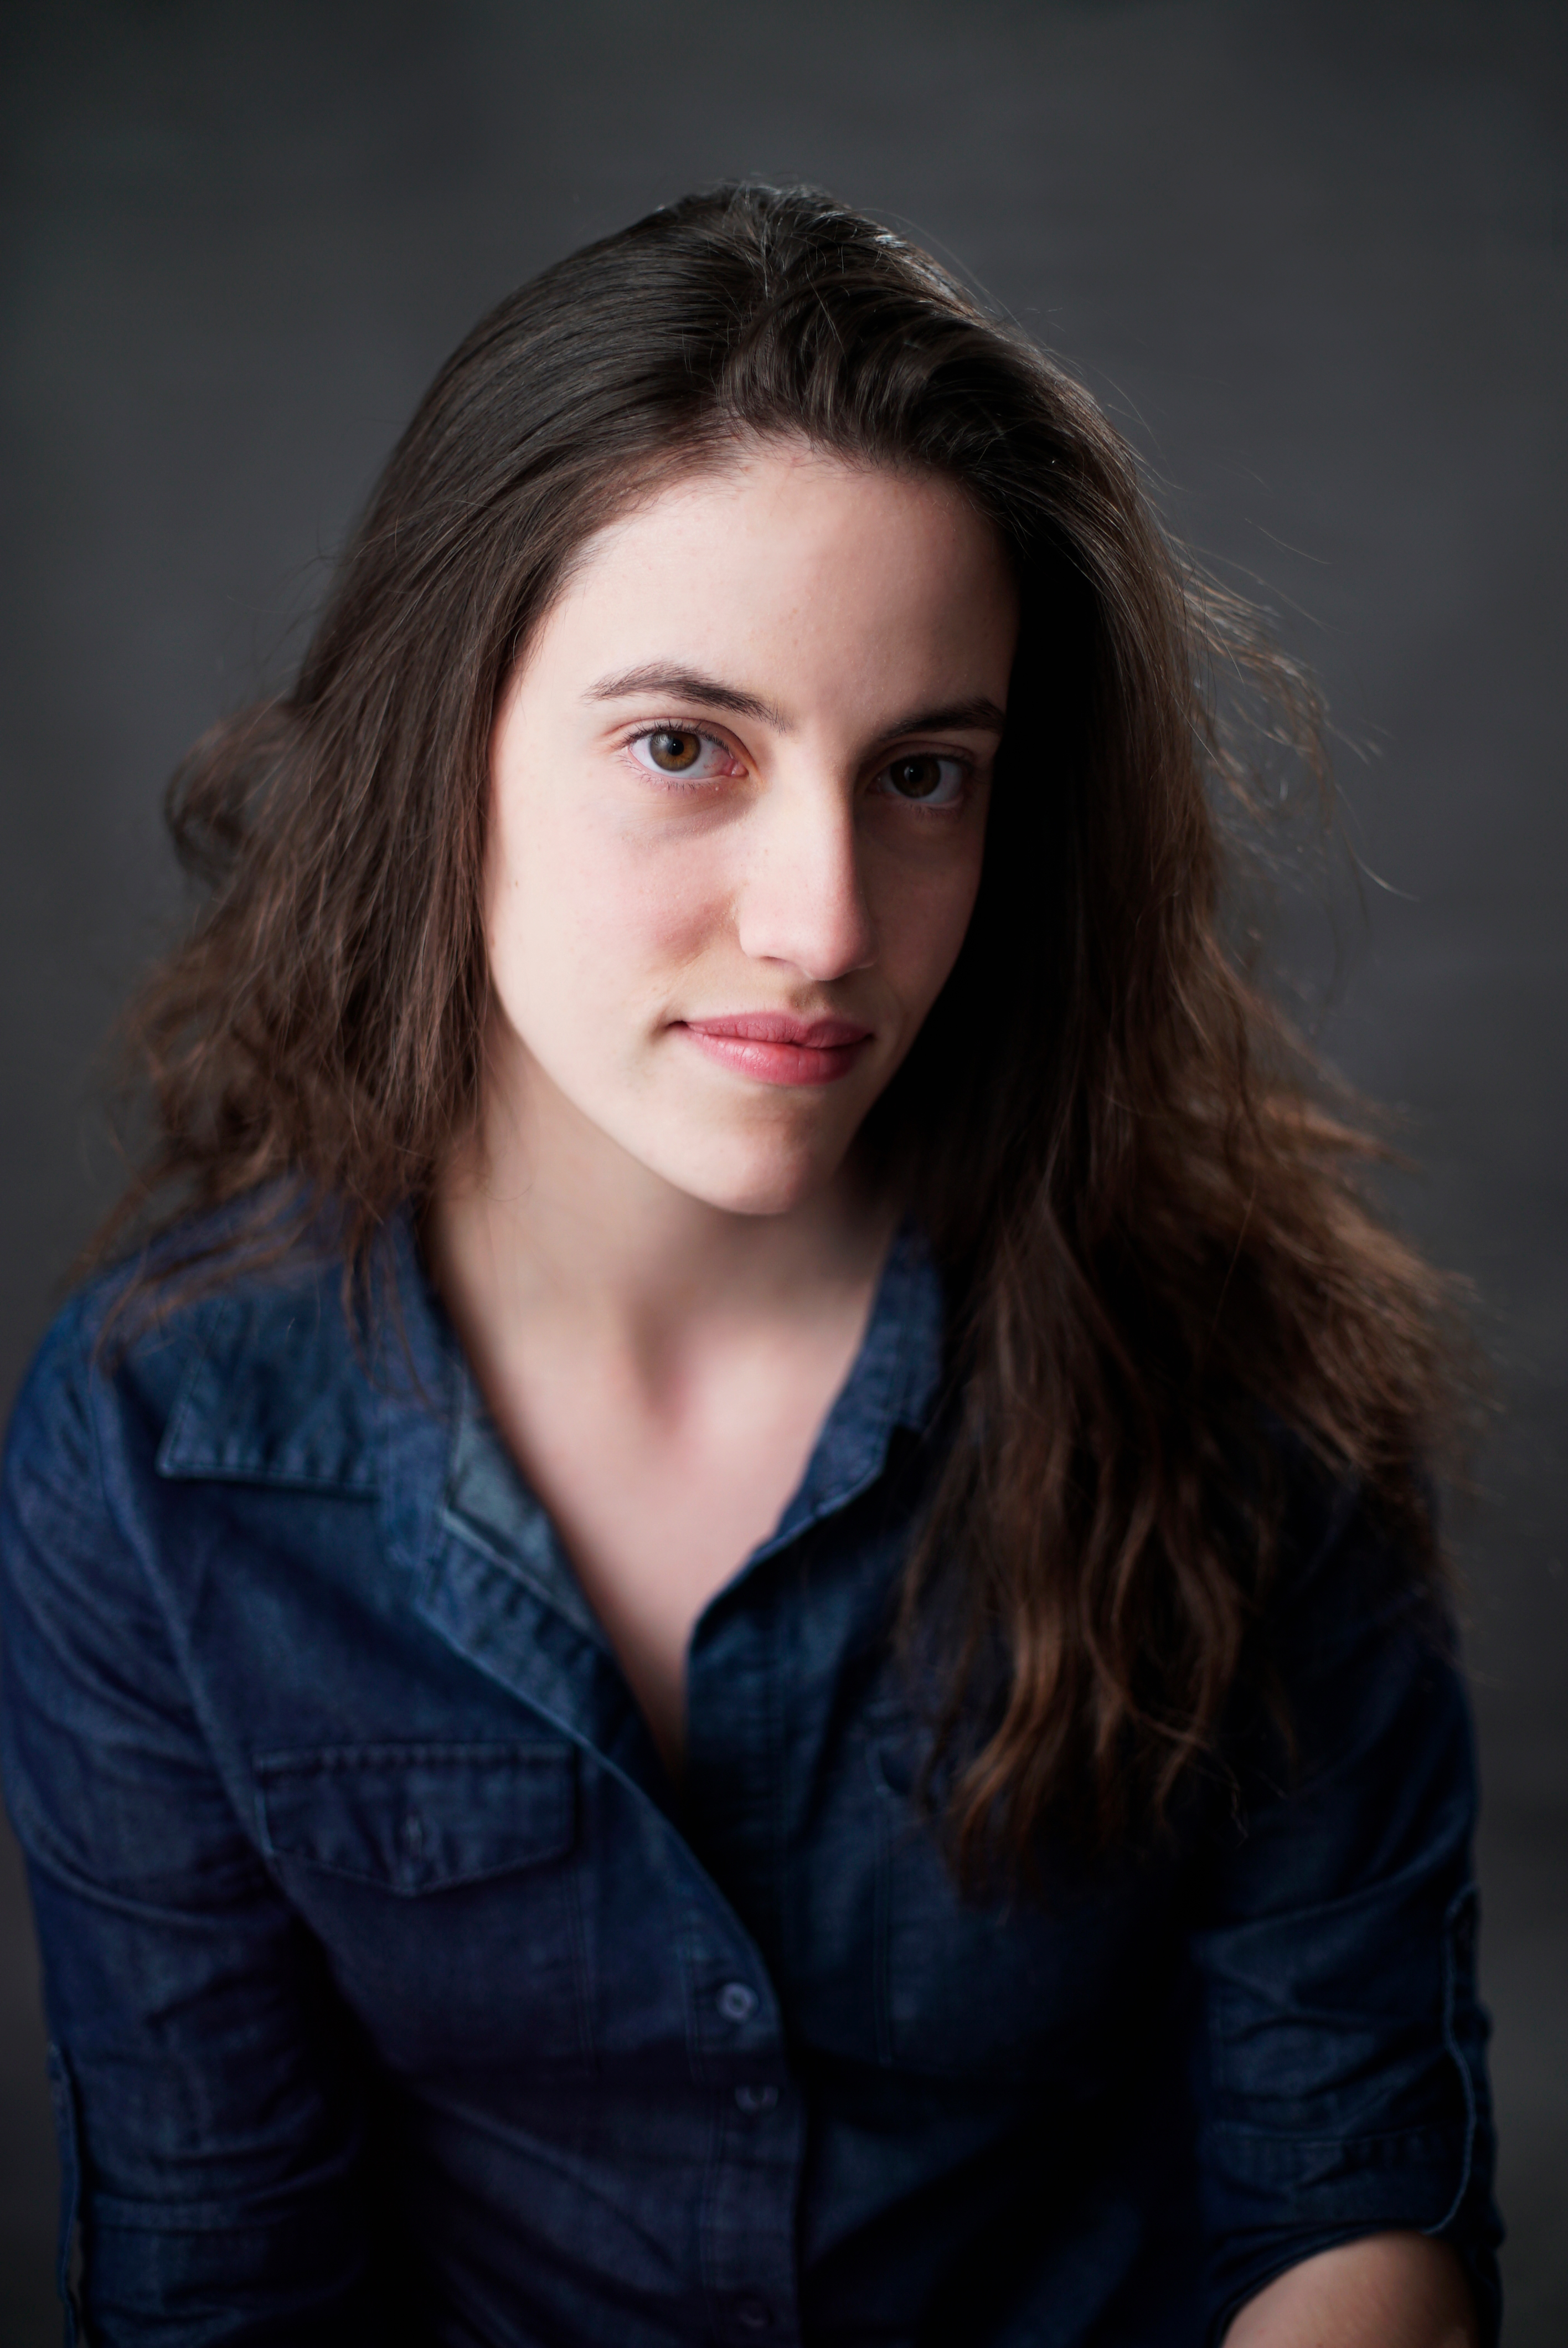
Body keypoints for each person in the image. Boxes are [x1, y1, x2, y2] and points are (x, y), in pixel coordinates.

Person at [0, 183, 1499, 2348]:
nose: (825, 921)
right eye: (683, 746)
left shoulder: (1242, 1384)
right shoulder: (157, 1453)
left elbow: (1347, 2191)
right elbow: (222, 2270)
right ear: (443, 753)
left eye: (925, 774)